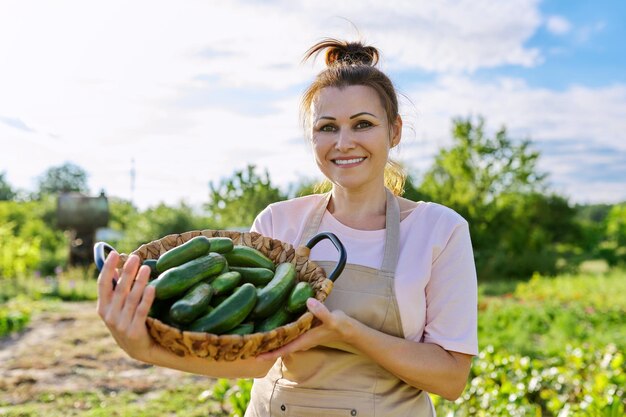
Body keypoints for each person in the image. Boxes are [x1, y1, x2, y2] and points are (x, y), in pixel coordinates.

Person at [96, 38, 478, 417]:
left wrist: (349, 334)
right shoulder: (279, 222)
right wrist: (142, 349)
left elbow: (450, 379)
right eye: (327, 128)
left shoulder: (438, 230)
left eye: (362, 124)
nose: (343, 143)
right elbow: (254, 360)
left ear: (394, 132)